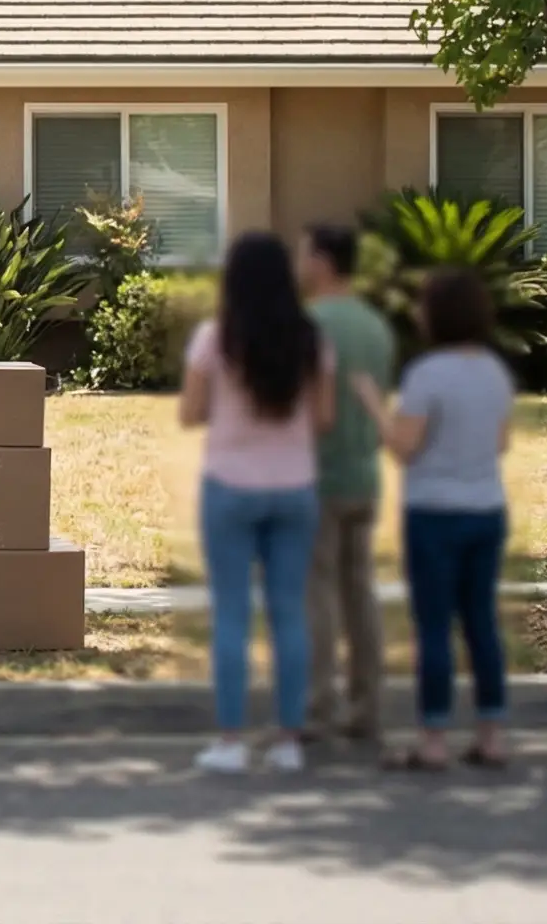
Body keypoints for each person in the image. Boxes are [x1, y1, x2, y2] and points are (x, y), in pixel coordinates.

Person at [180, 231, 337, 775]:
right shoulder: (311, 339)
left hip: (229, 486)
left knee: (232, 616)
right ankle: (289, 741)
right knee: (288, 613)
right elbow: (323, 419)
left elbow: (191, 413)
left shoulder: (215, 338)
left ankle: (230, 740)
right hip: (295, 488)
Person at [379, 267, 515, 772]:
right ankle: (492, 735)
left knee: (434, 625)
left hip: (434, 513)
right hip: (486, 510)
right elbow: (500, 442)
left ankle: (433, 740)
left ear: (437, 315)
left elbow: (404, 448)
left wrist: (376, 408)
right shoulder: (494, 373)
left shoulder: (426, 375)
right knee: (481, 622)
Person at [298, 224, 393, 746]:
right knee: (361, 594)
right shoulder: (375, 327)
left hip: (319, 477)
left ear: (323, 261)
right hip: (364, 476)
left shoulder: (310, 324)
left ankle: (319, 708)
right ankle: (368, 707)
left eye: (304, 252)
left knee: (318, 594)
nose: (299, 261)